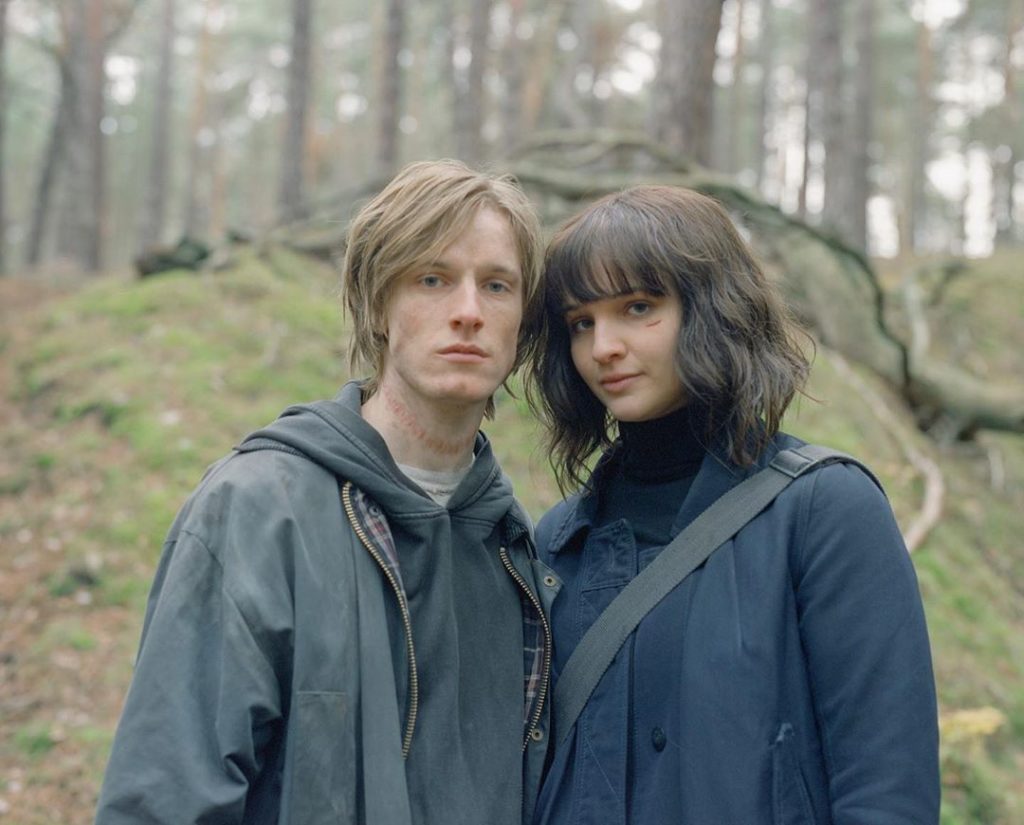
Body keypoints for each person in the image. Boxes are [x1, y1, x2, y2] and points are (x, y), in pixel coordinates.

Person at [95, 160, 555, 825]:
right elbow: (164, 800)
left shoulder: (516, 550)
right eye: (432, 278)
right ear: (377, 304)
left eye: (496, 284)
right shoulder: (260, 510)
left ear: (523, 319)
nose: (467, 312)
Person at [527, 186, 940, 824]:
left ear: (713, 309)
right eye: (582, 321)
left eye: (639, 307)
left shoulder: (826, 512)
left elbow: (888, 789)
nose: (602, 346)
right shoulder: (560, 541)